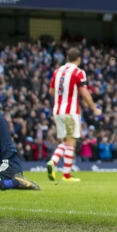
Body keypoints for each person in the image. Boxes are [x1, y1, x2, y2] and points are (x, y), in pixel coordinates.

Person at [46, 48, 101, 182]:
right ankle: (64, 173)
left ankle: (53, 162)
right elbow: (84, 93)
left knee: (65, 141)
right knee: (71, 142)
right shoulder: (78, 72)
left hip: (57, 110)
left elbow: (51, 92)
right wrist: (94, 109)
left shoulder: (57, 71)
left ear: (67, 58)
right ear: (79, 59)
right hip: (70, 111)